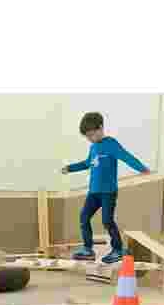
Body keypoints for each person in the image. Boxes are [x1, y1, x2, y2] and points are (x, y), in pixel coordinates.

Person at [61, 112, 150, 264]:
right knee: (84, 217)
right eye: (87, 136)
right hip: (93, 192)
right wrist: (70, 168)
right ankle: (88, 249)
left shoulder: (111, 144)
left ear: (100, 128)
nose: (90, 138)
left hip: (108, 192)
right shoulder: (93, 148)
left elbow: (126, 156)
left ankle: (117, 249)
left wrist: (142, 169)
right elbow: (87, 163)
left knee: (107, 220)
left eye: (91, 134)